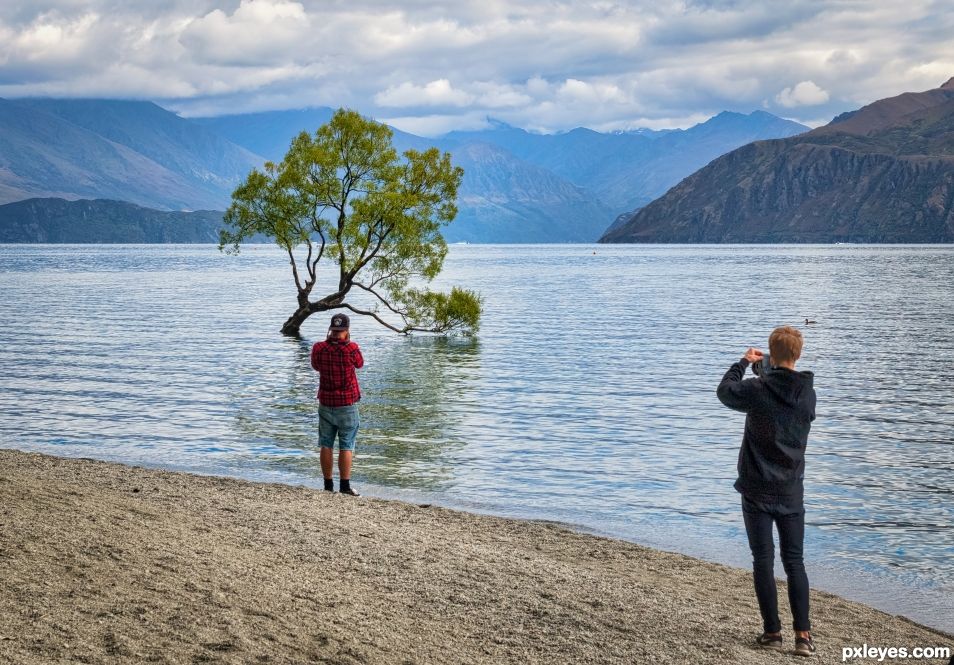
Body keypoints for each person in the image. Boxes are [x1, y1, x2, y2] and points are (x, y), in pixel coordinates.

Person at [716, 326, 817, 657]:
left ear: (771, 354)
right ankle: (804, 637)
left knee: (763, 560)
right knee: (794, 562)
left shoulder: (757, 391)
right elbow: (781, 387)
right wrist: (768, 368)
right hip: (791, 490)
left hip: (757, 488)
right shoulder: (806, 394)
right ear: (798, 355)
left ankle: (772, 633)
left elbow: (726, 391)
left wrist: (744, 362)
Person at [310, 313, 364, 496]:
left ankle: (327, 486)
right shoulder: (351, 348)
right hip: (347, 403)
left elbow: (316, 366)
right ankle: (345, 486)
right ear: (347, 331)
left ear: (331, 329)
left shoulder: (319, 348)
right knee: (347, 444)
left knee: (326, 443)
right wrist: (347, 342)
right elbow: (360, 364)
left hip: (326, 402)